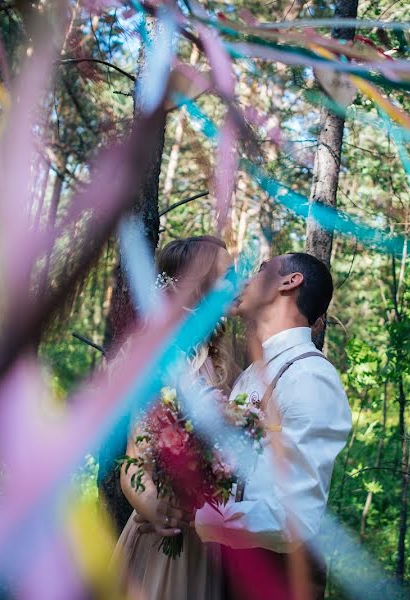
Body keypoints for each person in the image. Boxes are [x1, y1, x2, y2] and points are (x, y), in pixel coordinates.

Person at [194, 252, 353, 600]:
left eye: (262, 269)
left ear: (289, 282)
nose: (247, 279)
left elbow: (295, 518)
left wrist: (201, 516)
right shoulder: (251, 376)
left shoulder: (310, 376)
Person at [111, 235, 237, 600]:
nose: (235, 284)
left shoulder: (220, 356)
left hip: (209, 540)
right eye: (226, 275)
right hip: (167, 538)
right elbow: (134, 459)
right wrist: (155, 507)